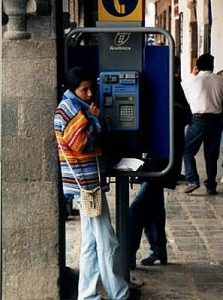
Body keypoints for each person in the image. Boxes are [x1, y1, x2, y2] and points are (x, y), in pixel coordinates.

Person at [54, 67, 129, 300]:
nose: (89, 93)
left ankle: (87, 295)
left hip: (88, 182)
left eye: (91, 88)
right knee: (107, 240)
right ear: (72, 89)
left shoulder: (78, 107)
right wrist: (96, 119)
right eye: (83, 89)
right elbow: (82, 143)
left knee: (90, 242)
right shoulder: (69, 109)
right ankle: (118, 293)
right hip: (86, 185)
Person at [129, 56, 191, 268]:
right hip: (153, 158)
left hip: (164, 158)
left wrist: (166, 112)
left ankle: (127, 257)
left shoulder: (173, 86)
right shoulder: (152, 85)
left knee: (137, 209)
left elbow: (185, 115)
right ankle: (158, 250)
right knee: (153, 205)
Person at [181, 54, 223, 195]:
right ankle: (211, 186)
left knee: (187, 151)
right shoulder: (220, 80)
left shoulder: (192, 81)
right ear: (212, 65)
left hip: (198, 120)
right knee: (211, 155)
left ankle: (192, 180)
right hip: (216, 120)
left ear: (197, 66)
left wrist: (193, 75)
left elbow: (185, 95)